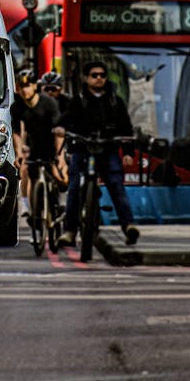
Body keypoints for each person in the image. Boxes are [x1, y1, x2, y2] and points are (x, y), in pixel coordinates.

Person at [58, 60, 139, 247]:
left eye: (102, 75)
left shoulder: (114, 100)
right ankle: (69, 231)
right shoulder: (77, 100)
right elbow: (65, 119)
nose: (99, 78)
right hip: (82, 150)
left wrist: (128, 152)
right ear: (86, 78)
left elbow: (126, 128)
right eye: (94, 75)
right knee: (75, 189)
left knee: (117, 187)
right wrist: (60, 127)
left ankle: (129, 226)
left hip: (107, 150)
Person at [11, 70, 64, 218]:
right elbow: (16, 132)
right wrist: (19, 153)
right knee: (33, 179)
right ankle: (34, 214)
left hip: (52, 145)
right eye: (21, 86)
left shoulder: (49, 103)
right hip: (34, 147)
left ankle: (60, 205)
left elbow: (58, 131)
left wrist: (60, 155)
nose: (24, 90)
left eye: (27, 85)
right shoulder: (17, 107)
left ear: (35, 86)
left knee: (59, 176)